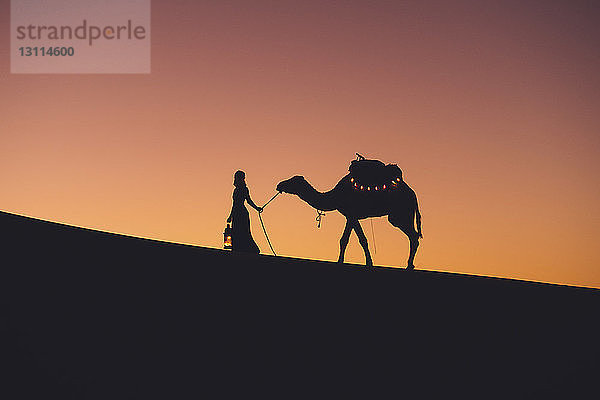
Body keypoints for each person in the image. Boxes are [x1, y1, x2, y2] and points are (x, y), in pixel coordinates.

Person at [227, 170, 262, 254]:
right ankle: (237, 248)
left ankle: (246, 248)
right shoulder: (236, 190)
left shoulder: (244, 189)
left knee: (244, 232)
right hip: (237, 213)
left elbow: (248, 201)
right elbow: (234, 204)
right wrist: (230, 216)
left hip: (241, 213)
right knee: (236, 232)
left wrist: (256, 208)